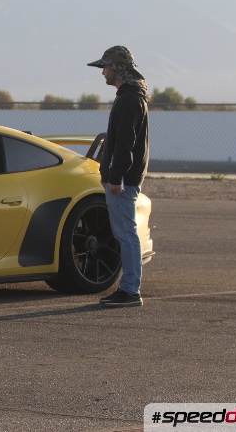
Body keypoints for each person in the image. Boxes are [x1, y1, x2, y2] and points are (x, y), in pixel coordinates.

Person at [87, 46, 150, 308]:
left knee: (126, 233)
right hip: (122, 178)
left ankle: (130, 290)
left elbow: (125, 142)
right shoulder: (129, 97)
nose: (103, 71)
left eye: (106, 66)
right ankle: (128, 288)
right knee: (125, 232)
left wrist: (116, 177)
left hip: (122, 181)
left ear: (118, 68)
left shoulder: (129, 99)